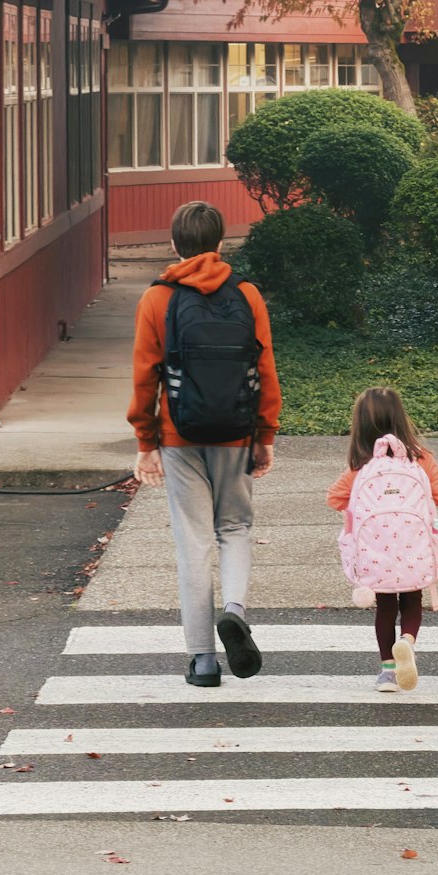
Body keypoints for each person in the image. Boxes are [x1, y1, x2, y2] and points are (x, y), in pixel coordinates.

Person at [129, 200, 280, 689]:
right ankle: (233, 610)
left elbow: (145, 376)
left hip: (180, 433)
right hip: (236, 431)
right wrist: (265, 436)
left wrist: (145, 440)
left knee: (192, 541)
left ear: (174, 245)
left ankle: (203, 661)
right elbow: (265, 370)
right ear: (220, 243)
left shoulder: (158, 299)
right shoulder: (248, 295)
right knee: (234, 526)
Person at [327, 387, 438, 692]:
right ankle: (407, 642)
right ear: (401, 419)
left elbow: (334, 498)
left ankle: (387, 672)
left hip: (376, 553)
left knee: (385, 607)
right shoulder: (419, 458)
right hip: (415, 549)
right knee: (412, 600)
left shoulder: (361, 465)